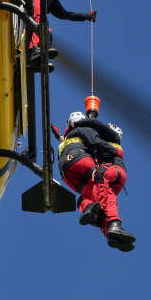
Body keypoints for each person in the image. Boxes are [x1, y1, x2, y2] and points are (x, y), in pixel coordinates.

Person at [57, 101, 136, 252]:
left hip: (69, 172)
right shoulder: (87, 132)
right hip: (101, 170)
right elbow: (95, 141)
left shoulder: (73, 135)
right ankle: (111, 229)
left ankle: (94, 212)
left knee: (97, 184)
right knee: (101, 195)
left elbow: (95, 141)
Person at [28, 0, 96, 72]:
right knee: (38, 23)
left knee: (47, 33)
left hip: (41, 3)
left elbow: (63, 14)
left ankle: (36, 60)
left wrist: (86, 16)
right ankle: (33, 50)